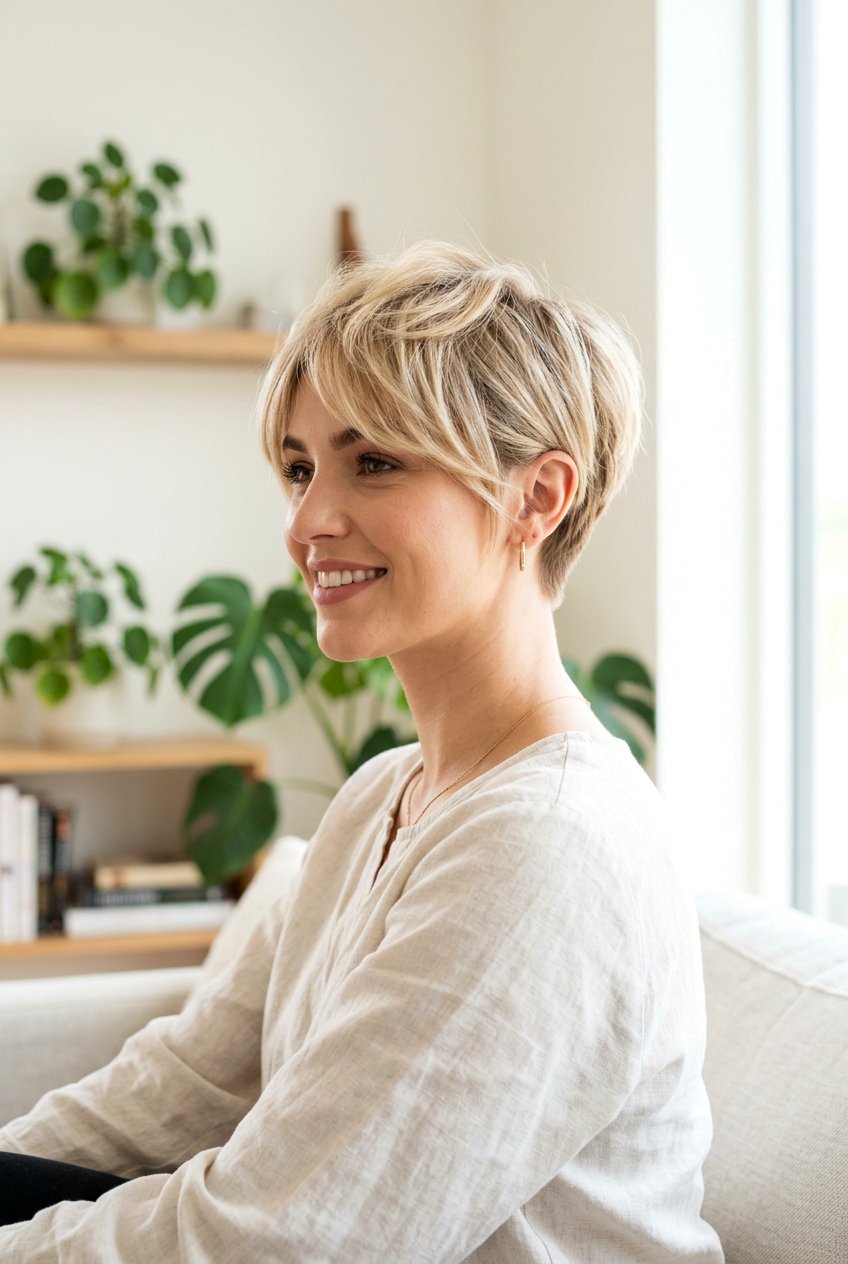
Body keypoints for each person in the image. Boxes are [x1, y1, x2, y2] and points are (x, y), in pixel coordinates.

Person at [0, 241, 724, 1261]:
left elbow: (288, 1245)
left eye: (372, 460)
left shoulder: (550, 846)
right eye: (299, 467)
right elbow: (192, 1084)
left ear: (536, 498)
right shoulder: (385, 793)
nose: (305, 522)